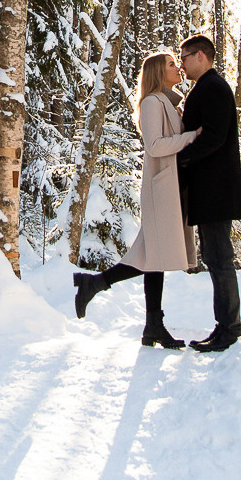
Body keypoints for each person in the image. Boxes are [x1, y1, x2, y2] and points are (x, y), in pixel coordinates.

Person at [72, 50, 199, 348]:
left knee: (153, 258)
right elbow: (155, 146)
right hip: (160, 190)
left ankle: (150, 325)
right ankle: (97, 285)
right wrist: (193, 136)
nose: (177, 67)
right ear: (158, 72)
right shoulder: (153, 102)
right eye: (171, 64)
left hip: (168, 187)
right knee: (153, 256)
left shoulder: (167, 102)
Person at [176, 33, 241, 352]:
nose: (182, 64)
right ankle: (227, 325)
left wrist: (182, 156)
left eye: (185, 57)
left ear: (201, 55)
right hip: (211, 189)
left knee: (219, 258)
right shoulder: (204, 88)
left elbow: (214, 136)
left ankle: (229, 327)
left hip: (217, 189)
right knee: (215, 257)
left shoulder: (214, 88)